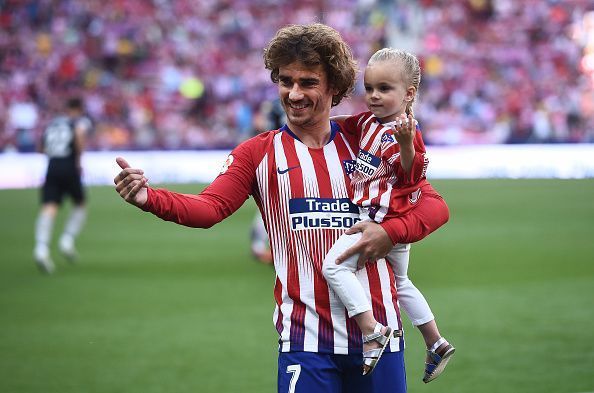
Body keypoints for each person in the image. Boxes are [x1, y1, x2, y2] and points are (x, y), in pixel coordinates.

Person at [114, 24, 446, 393]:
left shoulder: (365, 138)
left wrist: (390, 232)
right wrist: (149, 198)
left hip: (382, 339)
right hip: (306, 343)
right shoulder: (258, 153)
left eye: (308, 82)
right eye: (286, 81)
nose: (294, 93)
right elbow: (209, 209)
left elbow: (434, 206)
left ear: (334, 86)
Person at [322, 48, 454, 382]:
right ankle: (435, 341)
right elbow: (343, 124)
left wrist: (408, 144)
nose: (374, 96)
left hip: (383, 221)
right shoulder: (368, 121)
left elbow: (412, 177)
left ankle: (371, 331)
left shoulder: (404, 130)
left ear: (409, 94)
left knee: (334, 267)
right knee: (400, 281)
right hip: (391, 224)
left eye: (384, 89)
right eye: (369, 88)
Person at [34, 97, 92, 274]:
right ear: (80, 108)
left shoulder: (53, 123)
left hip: (52, 167)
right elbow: (80, 136)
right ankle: (67, 240)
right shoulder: (77, 122)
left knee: (49, 207)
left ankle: (41, 248)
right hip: (68, 165)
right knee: (80, 203)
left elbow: (41, 148)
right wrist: (79, 161)